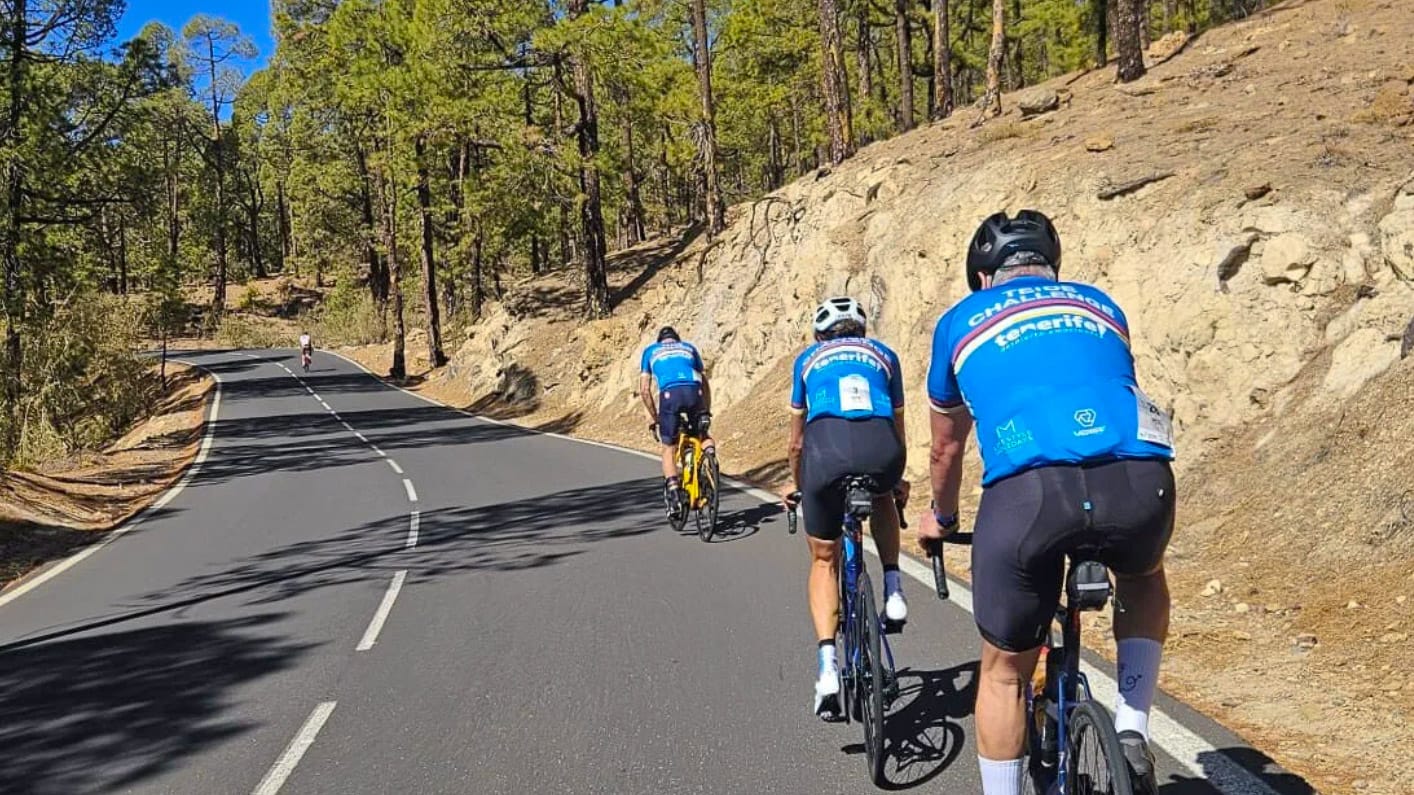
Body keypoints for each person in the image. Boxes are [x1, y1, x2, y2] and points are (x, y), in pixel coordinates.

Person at [918, 210, 1176, 795]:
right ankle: (1132, 728)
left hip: (1029, 496)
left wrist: (943, 517)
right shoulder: (1100, 305)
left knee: (1006, 672)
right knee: (1142, 576)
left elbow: (945, 446)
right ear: (1051, 267)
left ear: (983, 277)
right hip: (1138, 481)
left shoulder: (959, 321)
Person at [778, 296, 910, 718]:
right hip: (881, 446)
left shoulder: (807, 360)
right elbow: (898, 425)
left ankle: (828, 669)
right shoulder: (884, 355)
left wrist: (799, 483)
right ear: (861, 331)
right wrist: (894, 475)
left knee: (823, 560)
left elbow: (797, 441)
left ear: (820, 335)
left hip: (826, 451)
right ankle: (893, 589)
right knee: (884, 494)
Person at [639, 326, 714, 519]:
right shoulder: (688, 347)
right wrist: (706, 409)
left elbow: (645, 390)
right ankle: (711, 460)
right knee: (703, 434)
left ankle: (674, 494)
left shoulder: (650, 351)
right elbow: (703, 381)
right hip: (694, 392)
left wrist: (655, 418)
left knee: (668, 447)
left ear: (659, 341)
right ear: (676, 340)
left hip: (670, 395)